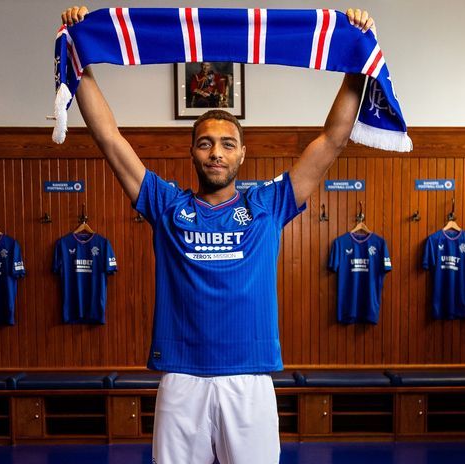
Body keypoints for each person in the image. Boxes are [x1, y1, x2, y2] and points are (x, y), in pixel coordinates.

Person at [62, 6, 375, 464]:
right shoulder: (167, 206)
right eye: (205, 143)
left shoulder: (267, 206)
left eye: (227, 144)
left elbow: (332, 141)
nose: (215, 153)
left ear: (242, 154)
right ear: (192, 151)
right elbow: (109, 138)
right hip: (182, 378)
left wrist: (355, 60)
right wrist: (79, 58)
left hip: (248, 381)